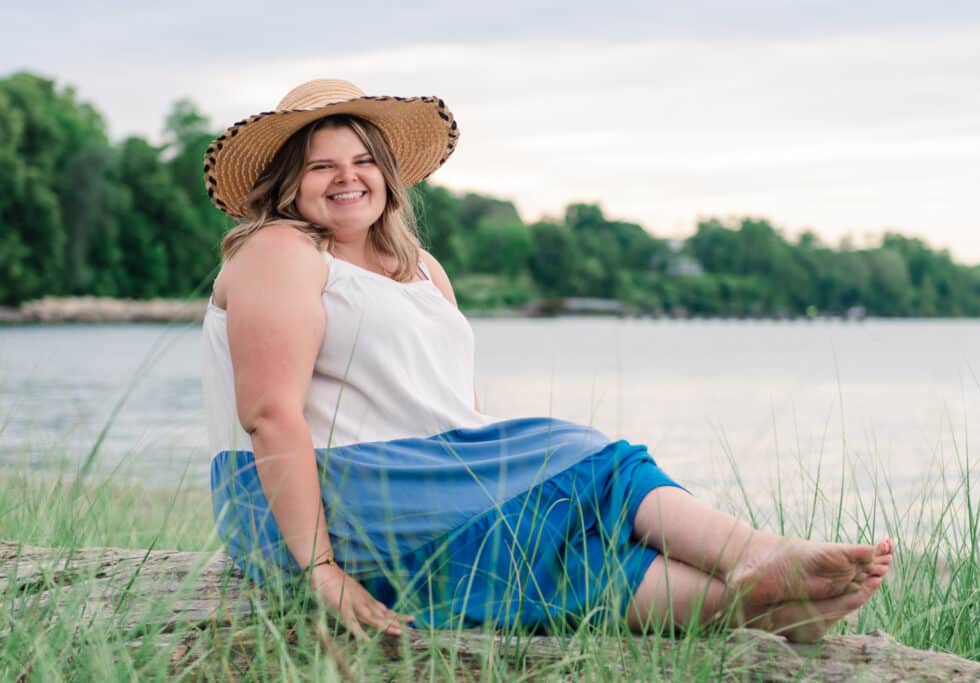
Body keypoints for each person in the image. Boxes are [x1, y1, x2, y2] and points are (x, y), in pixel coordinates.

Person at [202, 78, 892, 643]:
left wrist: (511, 483)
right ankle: (749, 553)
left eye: (362, 160)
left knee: (561, 549)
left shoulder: (421, 270)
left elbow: (453, 410)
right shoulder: (278, 251)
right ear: (290, 182)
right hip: (330, 496)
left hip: (426, 479)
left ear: (387, 173)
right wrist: (321, 566)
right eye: (322, 165)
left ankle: (761, 605)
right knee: (581, 451)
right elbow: (269, 413)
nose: (347, 177)